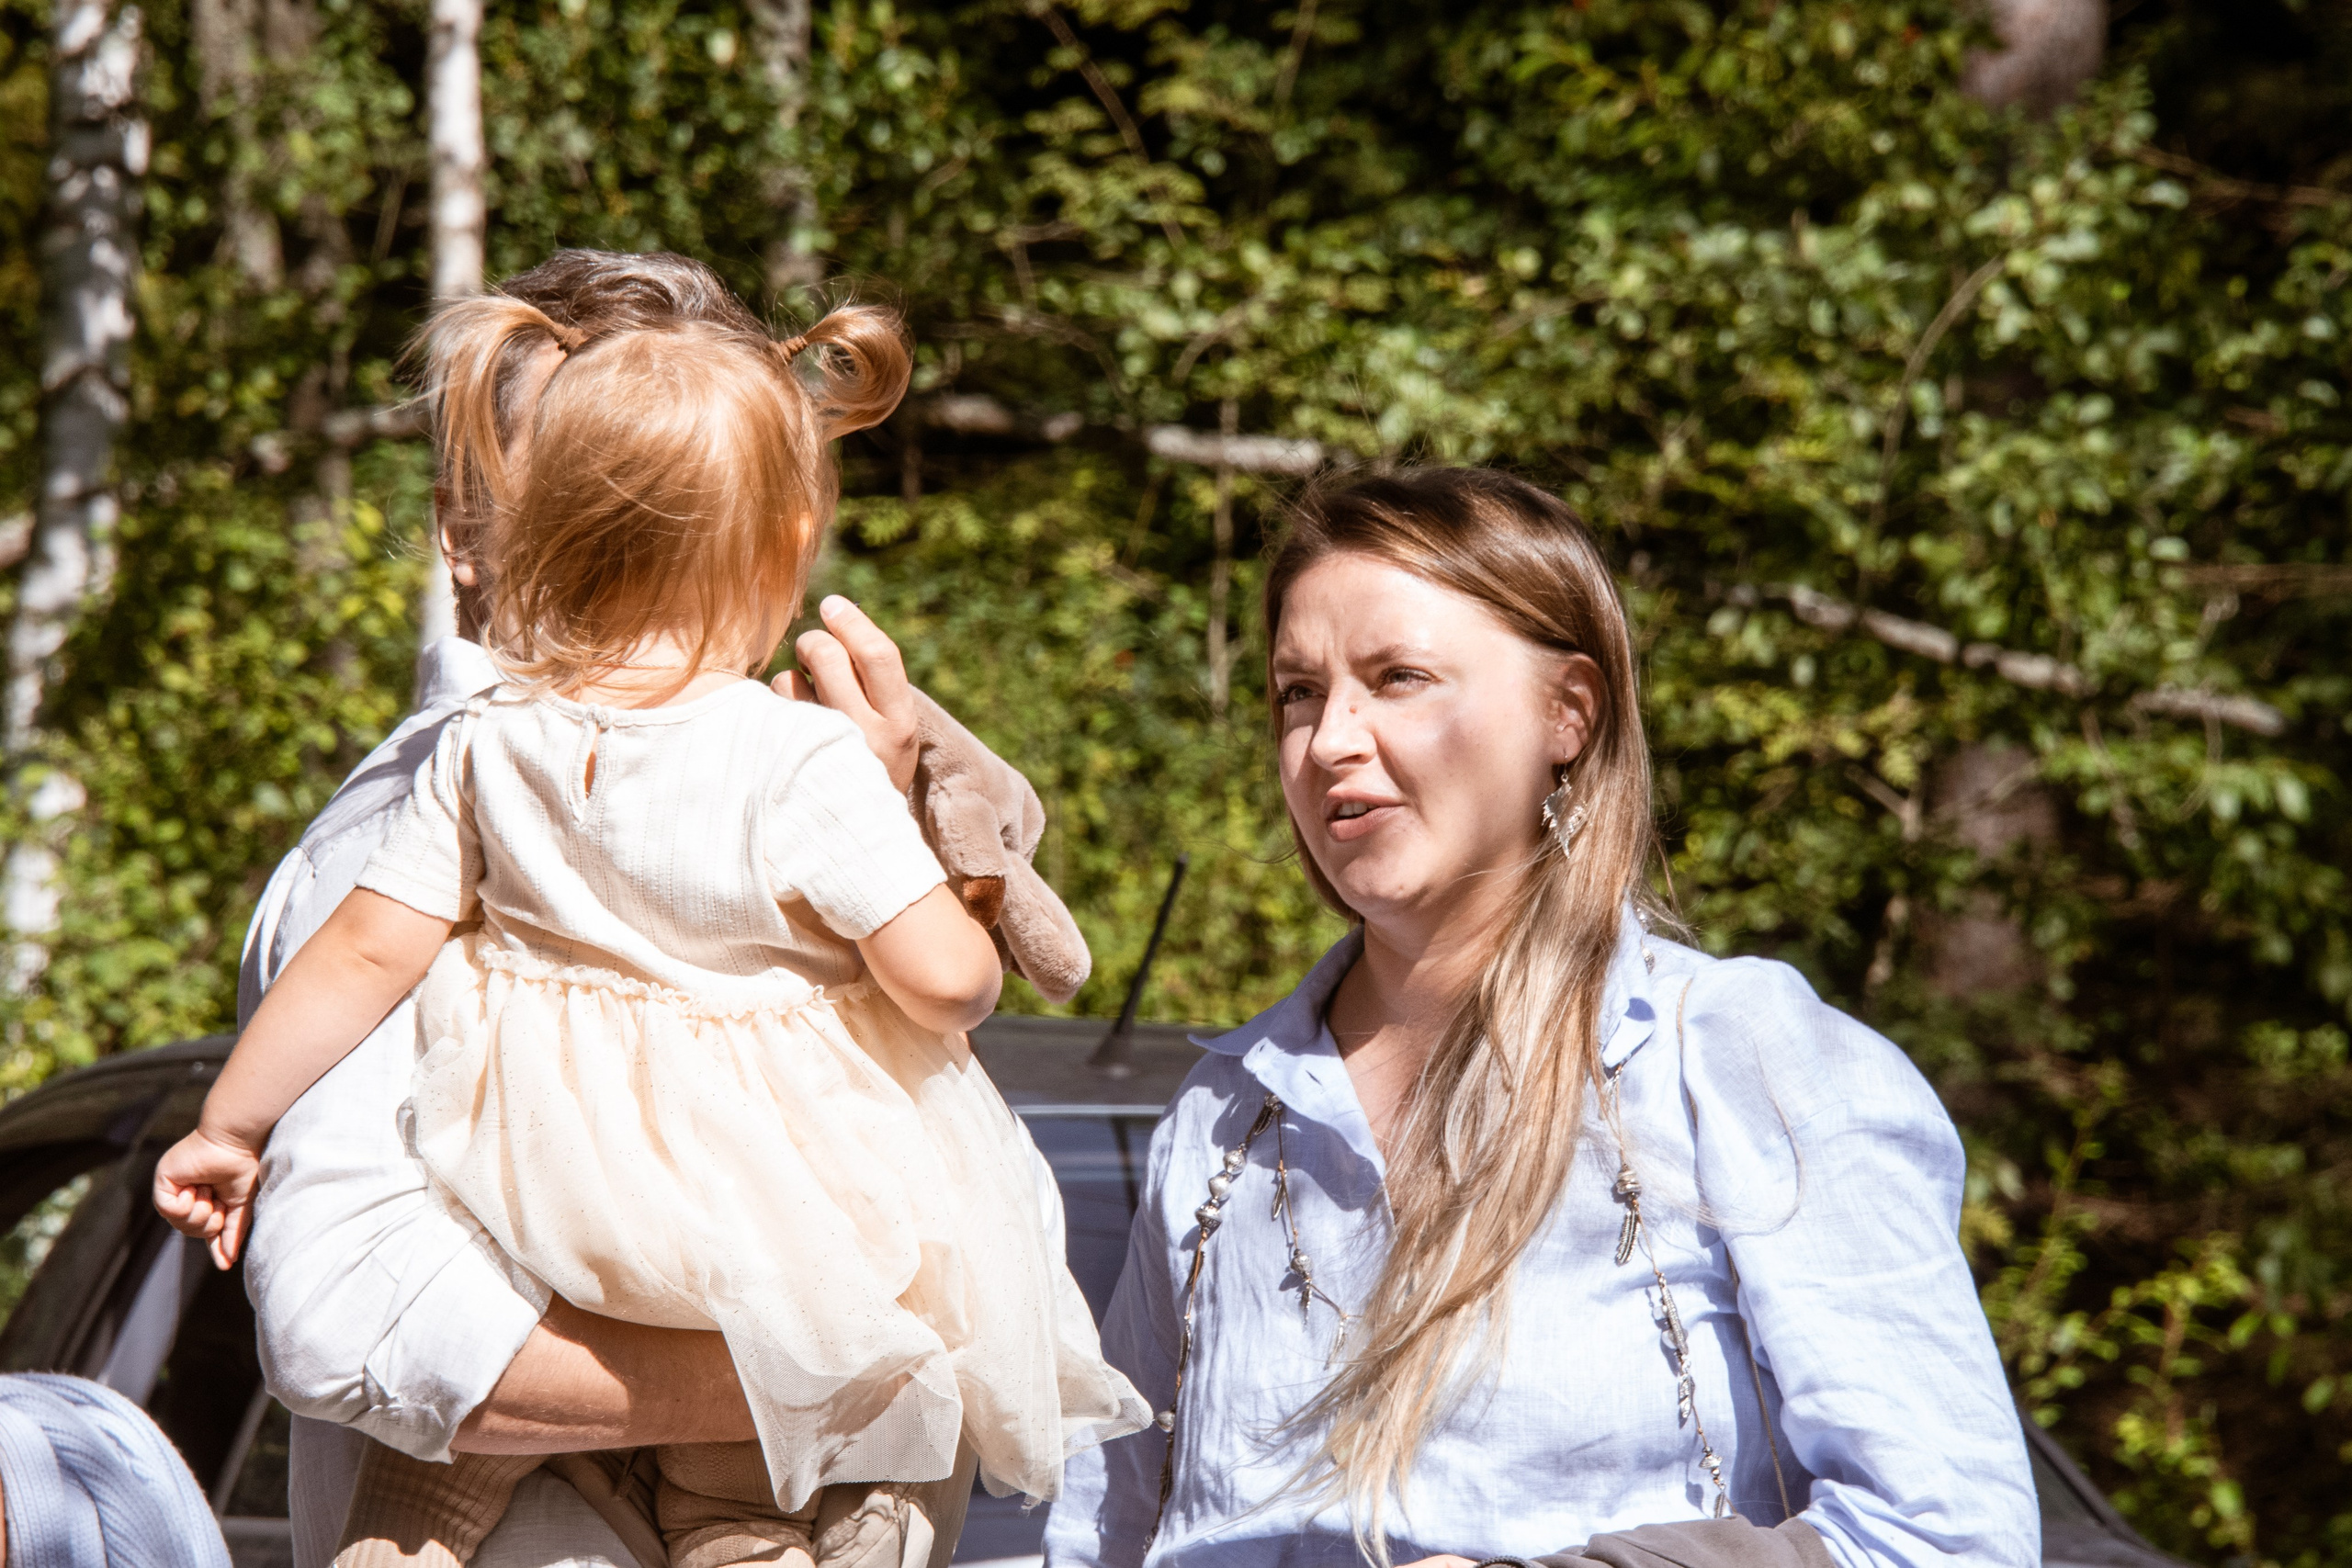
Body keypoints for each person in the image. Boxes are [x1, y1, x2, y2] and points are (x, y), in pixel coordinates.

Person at [156, 258, 1146, 1568]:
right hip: (674, 1388)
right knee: (756, 1512)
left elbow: (365, 953)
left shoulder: (495, 754)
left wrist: (228, 1118)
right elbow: (354, 1312)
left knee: (431, 1509)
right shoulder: (785, 765)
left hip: (550, 1172)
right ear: (785, 541)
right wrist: (885, 1361)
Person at [1042, 468, 2040, 1568]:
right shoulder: (1226, 1117)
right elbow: (1101, 1540)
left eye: (1399, 678)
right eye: (1297, 693)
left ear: (1567, 711)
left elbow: (1949, 1538)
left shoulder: (1730, 1061)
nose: (1329, 740)